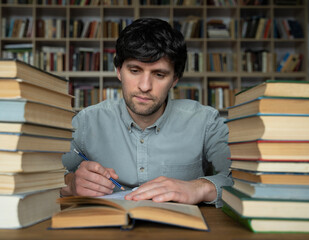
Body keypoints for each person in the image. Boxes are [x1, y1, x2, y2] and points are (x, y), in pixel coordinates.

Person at [61, 18, 233, 208]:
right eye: (135, 70)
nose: (145, 87)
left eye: (159, 75)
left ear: (174, 79)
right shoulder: (87, 122)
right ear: (118, 71)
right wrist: (71, 184)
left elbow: (242, 179)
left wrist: (201, 187)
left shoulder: (206, 122)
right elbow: (42, 176)